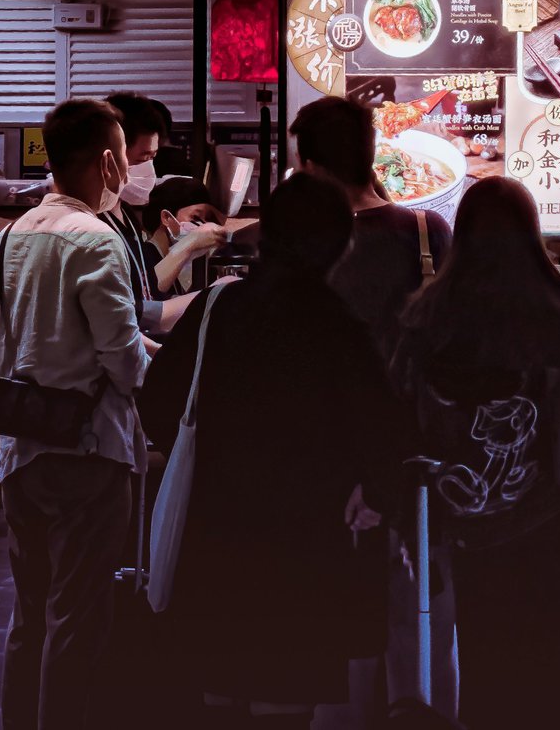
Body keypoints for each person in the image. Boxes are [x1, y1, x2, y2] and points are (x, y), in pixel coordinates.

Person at [136, 174, 399, 730]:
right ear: (339, 245)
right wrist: (371, 492)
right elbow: (380, 425)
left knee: (219, 690)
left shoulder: (219, 305)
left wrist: (200, 455)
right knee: (283, 693)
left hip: (217, 522)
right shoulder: (338, 322)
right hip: (302, 537)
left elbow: (157, 398)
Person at [391, 177, 560, 730]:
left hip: (467, 518)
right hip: (554, 508)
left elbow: (402, 403)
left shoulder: (430, 314)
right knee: (551, 648)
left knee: (484, 649)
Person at [289, 97, 456, 724]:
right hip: (416, 449)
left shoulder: (309, 249)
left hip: (330, 454)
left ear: (311, 167)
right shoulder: (426, 231)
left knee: (338, 618)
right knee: (421, 612)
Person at [0, 98, 151, 730]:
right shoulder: (96, 239)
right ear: (108, 162)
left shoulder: (10, 236)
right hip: (87, 449)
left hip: (20, 446)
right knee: (78, 616)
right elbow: (125, 365)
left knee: (29, 613)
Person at [290, 96, 451, 366]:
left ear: (311, 168)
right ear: (370, 154)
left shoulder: (304, 241)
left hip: (334, 387)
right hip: (409, 389)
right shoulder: (429, 228)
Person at [102, 92, 219, 337]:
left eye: (152, 158)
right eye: (141, 159)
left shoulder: (125, 215)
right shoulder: (92, 223)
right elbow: (121, 314)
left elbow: (147, 289)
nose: (148, 169)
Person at [141, 177, 228, 298]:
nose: (204, 226)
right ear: (166, 217)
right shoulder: (142, 257)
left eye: (208, 219)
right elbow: (149, 292)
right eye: (196, 218)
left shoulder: (175, 264)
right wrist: (190, 243)